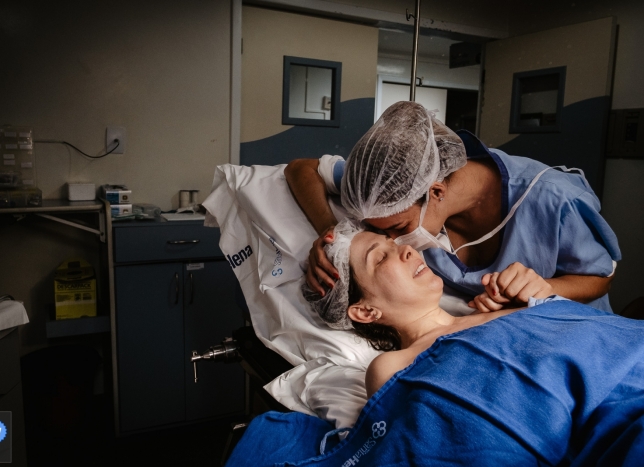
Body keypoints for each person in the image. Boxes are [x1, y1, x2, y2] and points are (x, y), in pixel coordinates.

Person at [225, 220, 644, 466]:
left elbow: (589, 333)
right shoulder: (392, 365)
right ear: (365, 312)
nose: (406, 252)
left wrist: (541, 297)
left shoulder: (511, 303)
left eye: (394, 243)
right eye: (381, 257)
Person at [285, 101, 621, 312]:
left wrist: (544, 290)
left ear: (435, 191)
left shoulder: (553, 201)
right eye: (380, 232)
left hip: (575, 330)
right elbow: (301, 169)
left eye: (400, 230)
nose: (398, 244)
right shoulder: (384, 187)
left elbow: (599, 279)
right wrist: (334, 234)